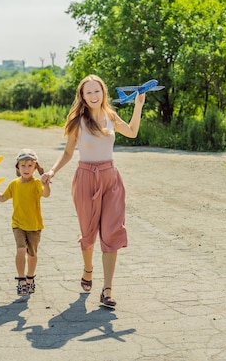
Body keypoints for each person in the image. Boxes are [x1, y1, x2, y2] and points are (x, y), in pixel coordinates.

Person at [41, 74, 146, 307]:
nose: (93, 96)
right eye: (88, 92)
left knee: (111, 233)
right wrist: (52, 172)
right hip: (85, 177)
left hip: (111, 178)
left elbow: (132, 132)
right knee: (88, 235)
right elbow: (68, 153)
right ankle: (88, 269)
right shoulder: (76, 121)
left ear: (103, 92)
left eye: (96, 91)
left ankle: (107, 290)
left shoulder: (110, 116)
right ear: (82, 96)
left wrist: (138, 106)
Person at [0, 149, 51, 296]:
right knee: (20, 249)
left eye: (30, 165)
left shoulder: (37, 184)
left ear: (35, 167)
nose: (26, 169)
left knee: (32, 254)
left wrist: (47, 183)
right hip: (18, 224)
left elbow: (46, 194)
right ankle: (21, 280)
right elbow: (2, 198)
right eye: (23, 165)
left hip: (34, 226)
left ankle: (30, 278)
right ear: (17, 167)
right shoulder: (14, 184)